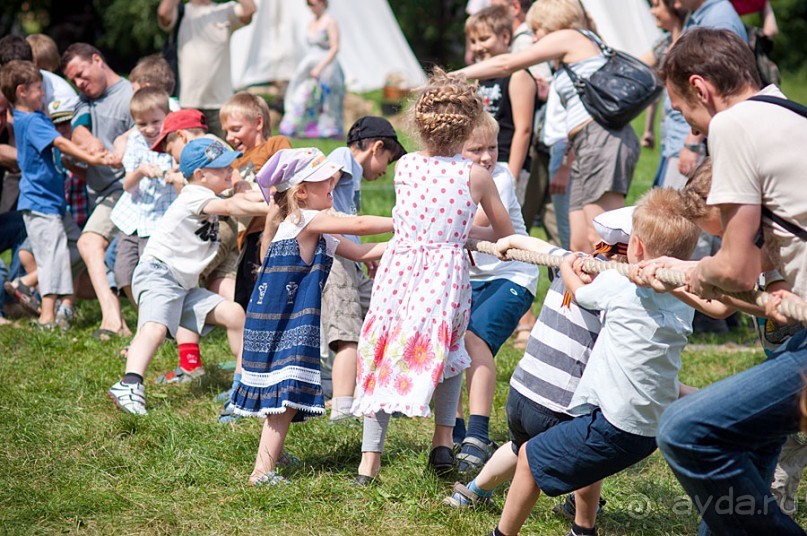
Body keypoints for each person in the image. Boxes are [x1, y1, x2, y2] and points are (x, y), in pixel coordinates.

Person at [652, 27, 807, 535]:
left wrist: (692, 270)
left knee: (685, 430)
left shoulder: (734, 124)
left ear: (702, 88)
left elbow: (734, 268)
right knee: (746, 435)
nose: (693, 131)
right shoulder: (792, 113)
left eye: (683, 114)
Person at [488, 187, 699, 536]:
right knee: (579, 455)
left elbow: (582, 292)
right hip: (651, 428)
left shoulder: (619, 285)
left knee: (529, 458)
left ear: (635, 248)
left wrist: (570, 265)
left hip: (618, 425)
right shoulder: (686, 297)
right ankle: (582, 530)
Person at [351, 69, 515, 484]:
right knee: (448, 352)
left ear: (421, 125)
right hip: (444, 277)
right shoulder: (476, 176)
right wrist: (462, 233)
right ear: (469, 126)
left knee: (384, 349)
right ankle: (442, 443)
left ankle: (369, 461)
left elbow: (417, 219)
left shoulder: (406, 166)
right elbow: (503, 231)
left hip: (400, 271)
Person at [446, 207, 631, 520]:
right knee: (589, 450)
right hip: (560, 402)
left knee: (520, 446)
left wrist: (511, 241)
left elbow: (542, 247)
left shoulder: (572, 261)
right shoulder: (620, 289)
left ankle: (473, 491)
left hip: (522, 392)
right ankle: (582, 511)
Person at [230, 147, 391, 485]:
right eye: (325, 182)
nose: (333, 183)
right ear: (301, 192)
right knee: (284, 398)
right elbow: (359, 224)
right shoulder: (305, 220)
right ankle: (262, 470)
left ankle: (272, 452)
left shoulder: (313, 228)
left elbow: (361, 250)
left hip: (284, 318)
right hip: (281, 322)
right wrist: (405, 220)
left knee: (283, 394)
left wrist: (412, 242)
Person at [455, 0, 640, 254]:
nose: (533, 37)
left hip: (601, 143)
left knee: (601, 236)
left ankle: (614, 288)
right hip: (582, 144)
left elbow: (506, 64)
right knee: (579, 242)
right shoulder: (570, 51)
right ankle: (581, 293)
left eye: (537, 30)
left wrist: (451, 76)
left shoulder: (569, 37)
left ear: (553, 23)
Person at [107, 138, 269, 415]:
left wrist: (268, 196)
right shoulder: (194, 194)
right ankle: (129, 383)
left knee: (235, 315)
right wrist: (279, 210)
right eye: (223, 168)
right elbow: (234, 207)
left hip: (182, 286)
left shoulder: (211, 194)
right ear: (201, 175)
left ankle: (242, 388)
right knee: (154, 329)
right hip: (159, 274)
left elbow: (243, 199)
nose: (232, 170)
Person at [452, 112, 539, 476]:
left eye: (494, 147)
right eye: (477, 149)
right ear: (455, 148)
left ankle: (477, 433)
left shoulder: (497, 177)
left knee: (474, 341)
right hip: (470, 277)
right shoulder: (449, 175)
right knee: (450, 345)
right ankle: (452, 431)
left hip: (512, 274)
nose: (488, 156)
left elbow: (484, 225)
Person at [0, 60, 115, 329]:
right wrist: (92, 159)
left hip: (54, 203)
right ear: (22, 91)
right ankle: (47, 317)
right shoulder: (30, 120)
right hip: (40, 203)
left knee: (75, 248)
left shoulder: (34, 116)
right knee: (52, 255)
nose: (44, 93)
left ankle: (25, 283)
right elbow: (61, 142)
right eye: (39, 88)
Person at [321, 116, 406, 423]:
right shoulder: (342, 158)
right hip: (335, 260)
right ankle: (342, 410)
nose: (385, 168)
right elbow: (320, 195)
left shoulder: (353, 174)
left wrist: (362, 254)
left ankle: (382, 393)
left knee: (383, 313)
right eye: (387, 159)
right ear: (376, 147)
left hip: (351, 258)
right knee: (347, 331)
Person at [61, 43, 133, 340]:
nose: (79, 83)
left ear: (97, 60)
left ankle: (113, 321)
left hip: (124, 190)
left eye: (80, 73)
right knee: (95, 266)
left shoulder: (130, 96)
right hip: (100, 193)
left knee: (89, 244)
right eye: (73, 80)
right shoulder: (83, 101)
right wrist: (87, 142)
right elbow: (77, 129)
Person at [219, 91, 292, 311]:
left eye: (235, 129)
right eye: (226, 132)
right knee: (247, 298)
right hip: (248, 237)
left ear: (258, 122)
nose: (229, 137)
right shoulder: (232, 163)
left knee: (275, 292)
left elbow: (289, 171)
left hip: (276, 230)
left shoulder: (275, 145)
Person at [110, 87, 178, 308]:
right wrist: (140, 171)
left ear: (166, 117)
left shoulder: (173, 141)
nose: (149, 129)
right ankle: (143, 311)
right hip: (133, 218)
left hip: (159, 219)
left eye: (155, 121)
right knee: (123, 273)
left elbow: (181, 177)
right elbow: (127, 185)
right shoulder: (136, 142)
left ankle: (158, 314)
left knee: (153, 273)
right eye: (141, 124)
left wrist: (172, 175)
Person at [156, 0, 256, 138]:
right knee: (190, 153)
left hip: (221, 103)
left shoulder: (225, 10)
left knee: (225, 154)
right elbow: (163, 13)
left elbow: (249, 9)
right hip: (187, 102)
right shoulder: (181, 11)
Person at [465, 6, 536, 187]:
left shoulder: (518, 76)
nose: (477, 47)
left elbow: (524, 129)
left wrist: (513, 173)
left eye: (484, 39)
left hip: (505, 160)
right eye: (472, 41)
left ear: (505, 37)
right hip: (482, 160)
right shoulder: (480, 78)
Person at [278, 0, 345, 139]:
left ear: (322, 3)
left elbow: (335, 47)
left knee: (328, 102)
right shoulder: (311, 22)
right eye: (308, 4)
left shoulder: (330, 21)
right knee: (301, 95)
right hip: (310, 65)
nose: (310, 7)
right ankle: (296, 128)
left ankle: (328, 131)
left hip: (327, 67)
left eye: (312, 4)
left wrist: (320, 67)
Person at [639, 0, 688, 189]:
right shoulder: (664, 43)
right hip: (669, 138)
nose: (652, 11)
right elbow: (637, 68)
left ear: (674, 6)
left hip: (685, 140)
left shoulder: (691, 43)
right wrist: (648, 129)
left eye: (657, 5)